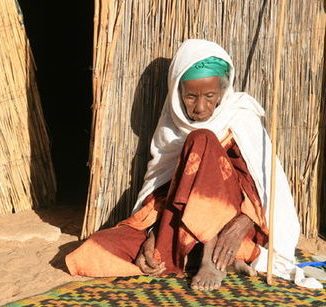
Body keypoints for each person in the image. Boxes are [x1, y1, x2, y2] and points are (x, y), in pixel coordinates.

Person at [65, 39, 318, 290]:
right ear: (177, 92)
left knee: (202, 139)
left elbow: (264, 190)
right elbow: (166, 188)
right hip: (183, 224)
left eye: (210, 96)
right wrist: (153, 234)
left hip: (235, 228)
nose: (200, 107)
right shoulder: (170, 127)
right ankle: (213, 258)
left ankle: (210, 260)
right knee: (92, 252)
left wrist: (241, 223)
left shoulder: (241, 118)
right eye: (190, 96)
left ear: (223, 90)